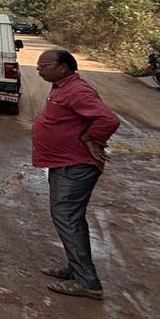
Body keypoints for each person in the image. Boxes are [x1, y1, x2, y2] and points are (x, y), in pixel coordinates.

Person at [32, 48, 120, 300]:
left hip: (75, 165)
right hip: (64, 163)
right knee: (71, 218)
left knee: (67, 216)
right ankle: (75, 267)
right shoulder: (63, 87)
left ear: (63, 67)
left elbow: (109, 120)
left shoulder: (77, 91)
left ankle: (87, 282)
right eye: (38, 66)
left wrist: (92, 138)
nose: (39, 70)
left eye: (44, 65)